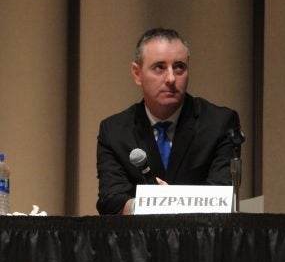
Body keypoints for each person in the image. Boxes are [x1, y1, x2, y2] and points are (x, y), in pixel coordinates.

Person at [96, 27, 240, 215]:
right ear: (137, 73)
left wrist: (167, 202)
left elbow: (222, 195)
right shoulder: (114, 131)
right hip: (137, 241)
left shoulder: (219, 123)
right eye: (159, 67)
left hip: (202, 239)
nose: (171, 78)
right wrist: (152, 205)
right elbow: (110, 200)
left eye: (179, 67)